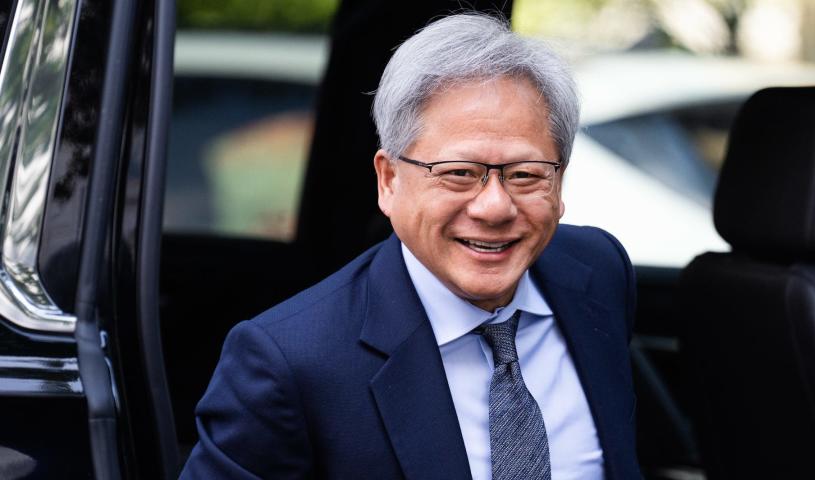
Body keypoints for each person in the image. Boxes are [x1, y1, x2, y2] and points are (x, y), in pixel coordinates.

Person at [181, 13, 642, 480]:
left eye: (525, 175)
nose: (495, 207)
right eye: (459, 173)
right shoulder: (291, 363)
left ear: (559, 183)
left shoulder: (598, 273)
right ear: (389, 181)